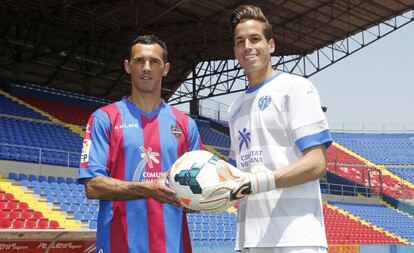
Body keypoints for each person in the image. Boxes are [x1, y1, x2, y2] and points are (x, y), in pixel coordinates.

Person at [221, 4, 333, 253]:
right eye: (240, 41)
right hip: (250, 240)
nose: (247, 46)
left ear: (271, 45)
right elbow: (237, 176)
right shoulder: (235, 107)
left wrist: (262, 181)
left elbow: (317, 164)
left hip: (296, 239)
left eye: (254, 39)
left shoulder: (296, 88)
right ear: (235, 51)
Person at [78, 34, 202, 253]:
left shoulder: (186, 125)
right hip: (118, 246)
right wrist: (148, 189)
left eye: (154, 61)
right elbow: (93, 186)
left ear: (165, 68)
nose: (146, 68)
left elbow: (197, 192)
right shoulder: (104, 118)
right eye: (139, 61)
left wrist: (201, 198)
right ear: (128, 66)